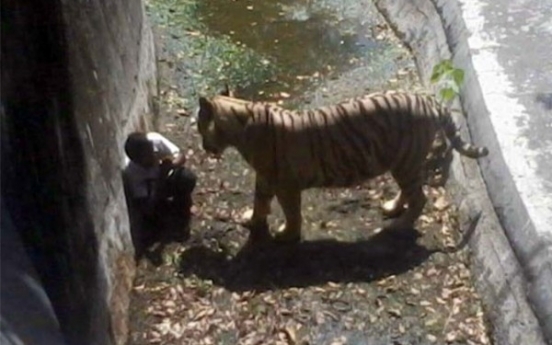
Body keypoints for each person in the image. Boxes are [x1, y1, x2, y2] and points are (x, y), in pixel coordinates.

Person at [123, 131, 197, 256]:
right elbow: (145, 206)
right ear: (137, 160)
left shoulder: (155, 140)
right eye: (146, 157)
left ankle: (182, 209)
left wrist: (172, 165)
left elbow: (181, 156)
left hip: (168, 179)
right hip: (155, 193)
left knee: (186, 178)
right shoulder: (132, 172)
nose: (152, 156)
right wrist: (158, 184)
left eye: (151, 151)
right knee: (153, 219)